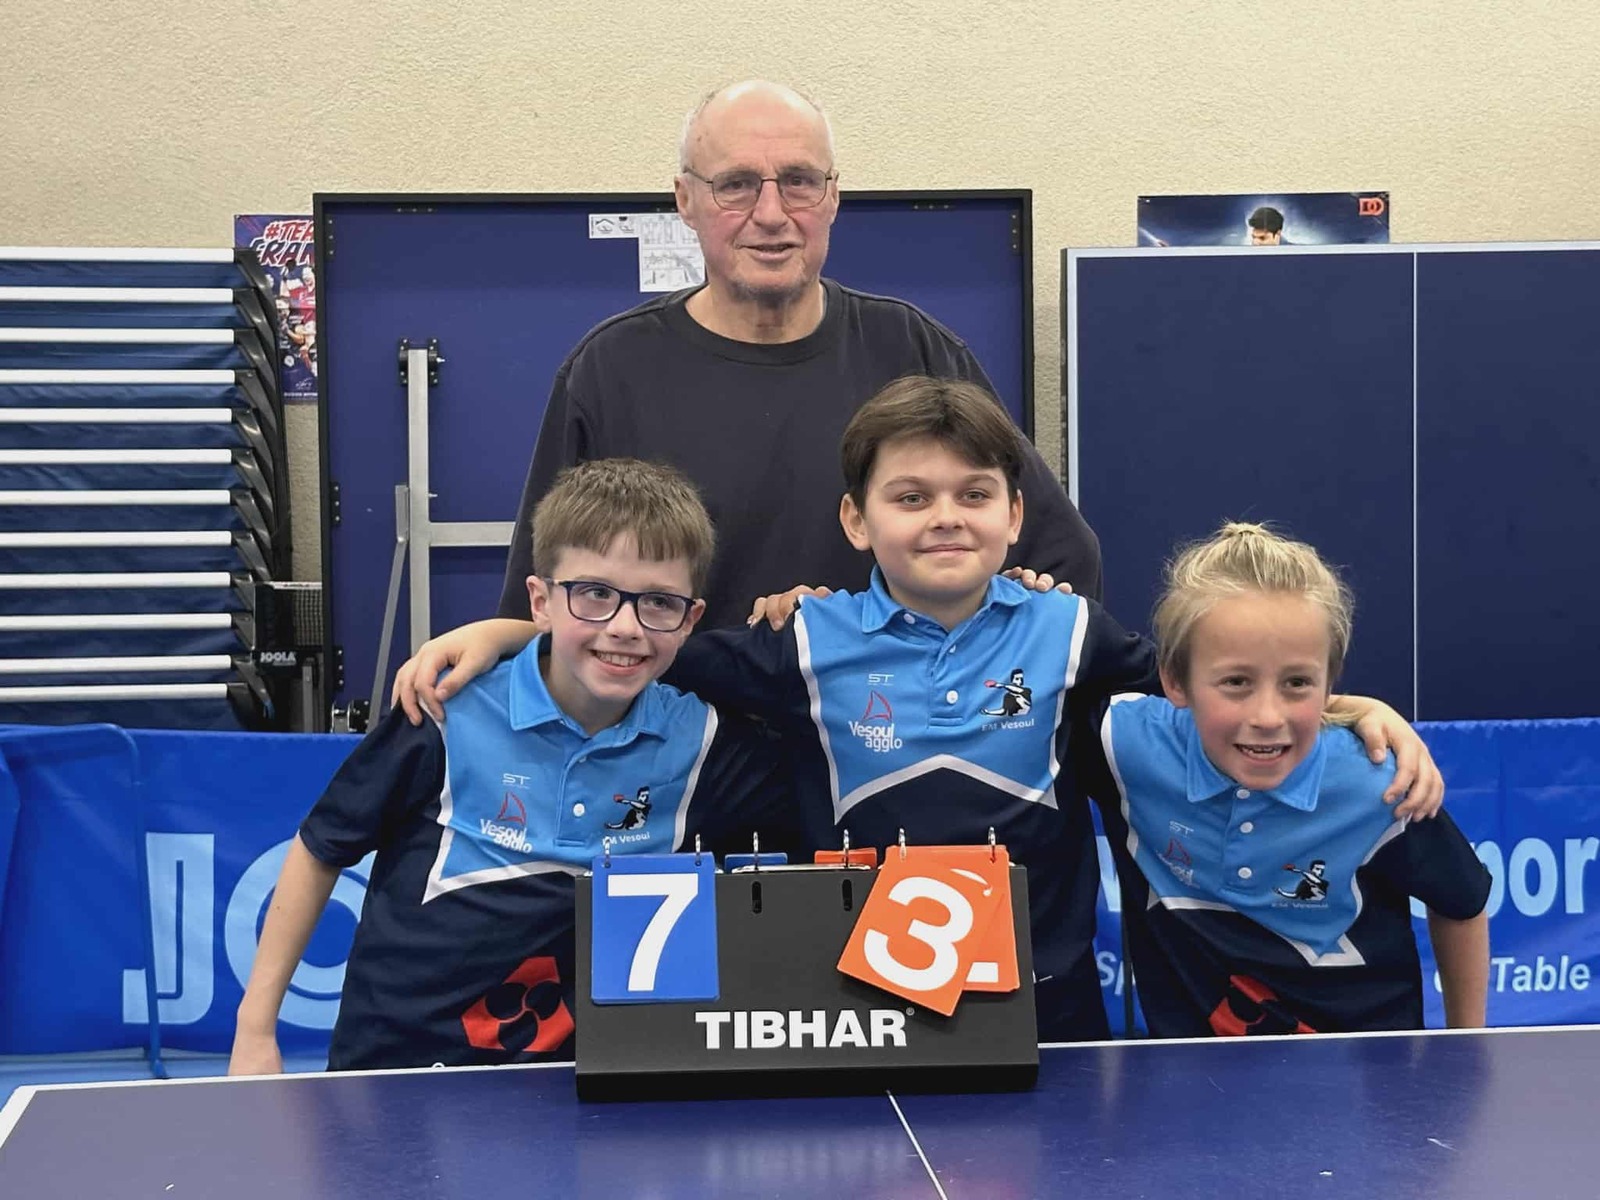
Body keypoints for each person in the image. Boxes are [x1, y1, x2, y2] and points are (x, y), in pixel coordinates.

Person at [393, 379, 1441, 1040]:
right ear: (856, 521)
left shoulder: (1071, 630)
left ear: (1015, 514)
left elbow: (1219, 683)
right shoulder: (802, 641)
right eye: (911, 497)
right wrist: (513, 632)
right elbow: (639, 641)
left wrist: (1353, 709)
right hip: (863, 1009)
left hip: (1050, 1008)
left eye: (974, 494)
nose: (946, 516)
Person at [228, 460, 783, 1074]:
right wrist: (255, 1030)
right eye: (595, 593)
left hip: (574, 1086)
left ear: (691, 618)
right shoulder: (445, 710)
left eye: (658, 602)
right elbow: (321, 847)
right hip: (393, 1073)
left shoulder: (704, 744)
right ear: (541, 600)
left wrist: (807, 615)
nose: (625, 627)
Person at [494, 79, 1102, 634]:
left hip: (882, 719)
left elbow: (1061, 556)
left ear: (832, 197)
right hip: (673, 720)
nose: (770, 214)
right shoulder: (610, 371)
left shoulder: (914, 349)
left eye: (799, 182)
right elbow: (541, 604)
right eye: (735, 184)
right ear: (685, 200)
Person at [1081, 522, 1490, 1037]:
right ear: (1175, 681)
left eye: (1297, 682)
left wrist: (1467, 1046)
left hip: (1369, 1072)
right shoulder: (1123, 745)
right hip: (1190, 1076)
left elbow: (1462, 903)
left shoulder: (1377, 781)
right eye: (1236, 682)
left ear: (1330, 683)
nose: (1268, 716)